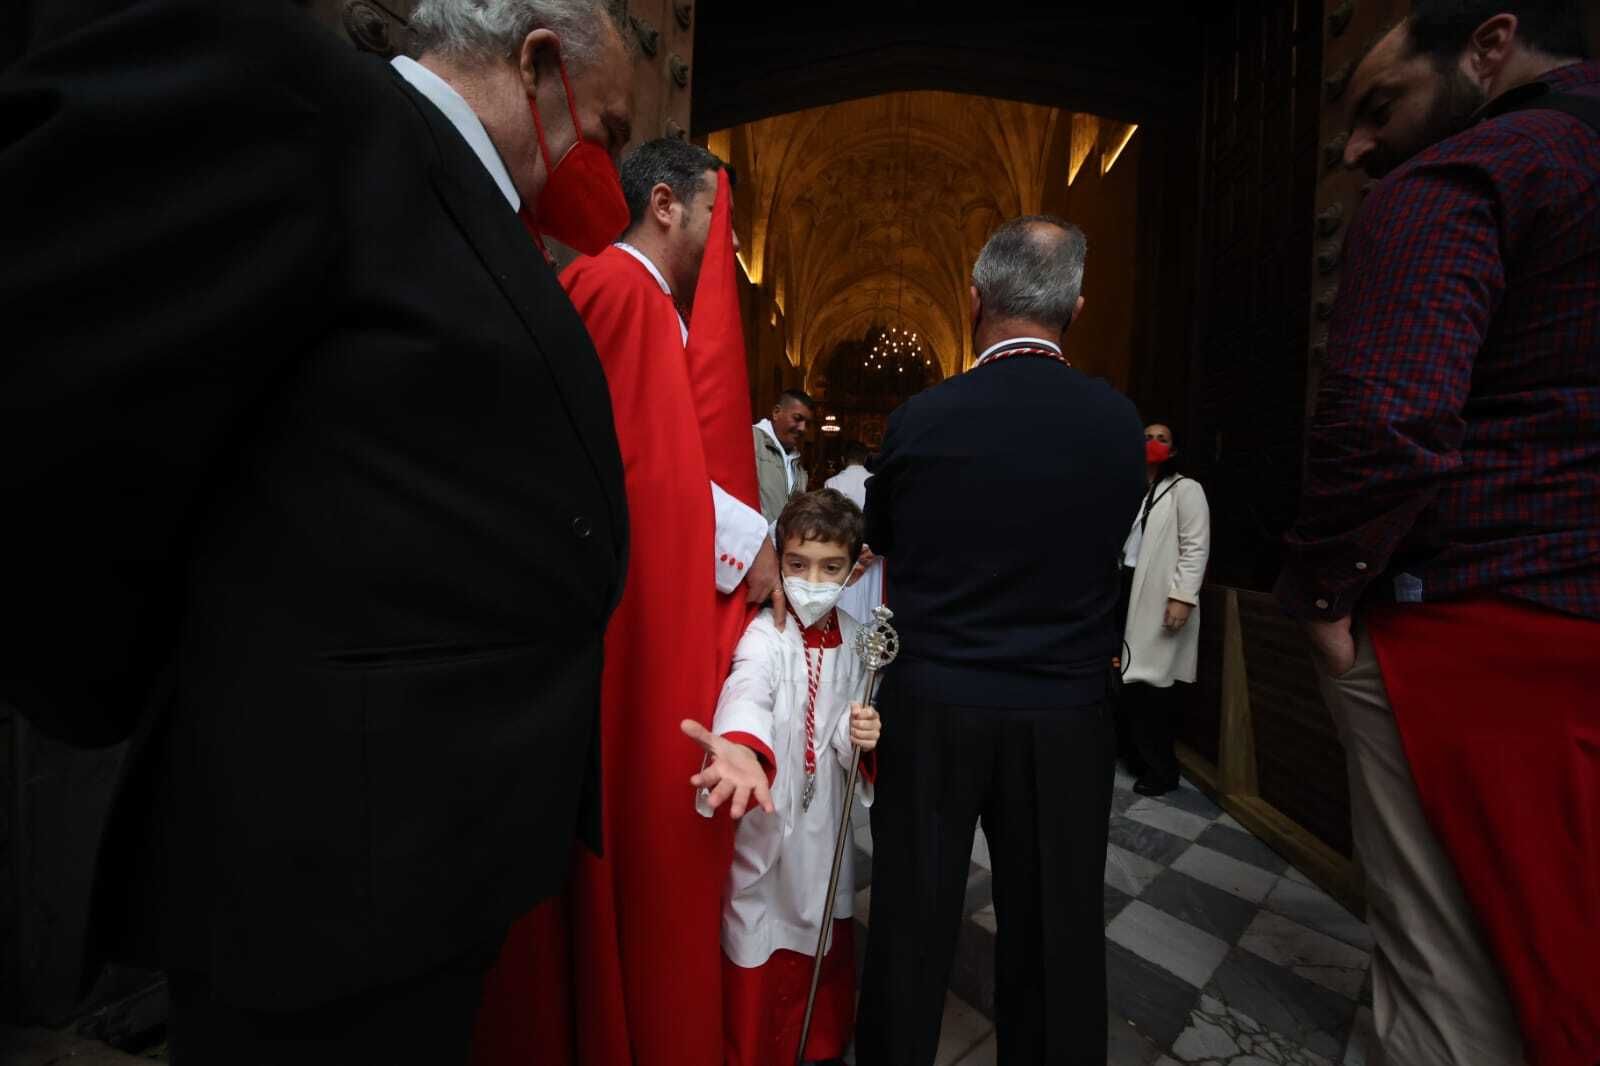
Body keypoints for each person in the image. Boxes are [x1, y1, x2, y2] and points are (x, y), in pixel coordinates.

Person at [0, 1, 634, 1061]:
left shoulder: (471, 196)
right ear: (537, 64)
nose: (600, 162)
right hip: (326, 866)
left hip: (425, 861)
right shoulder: (317, 105)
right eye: (606, 129)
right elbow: (72, 358)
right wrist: (126, 649)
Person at [1277, 4, 1599, 1065]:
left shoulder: (1466, 177)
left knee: (1446, 988)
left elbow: (1387, 413)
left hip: (1477, 627)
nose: (1359, 146)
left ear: (1489, 47)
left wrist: (1326, 591)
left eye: (1381, 106)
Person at [472, 138, 775, 1066]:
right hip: (622, 637)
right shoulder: (621, 291)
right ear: (667, 206)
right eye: (717, 224)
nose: (722, 253)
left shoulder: (645, 302)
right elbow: (638, 489)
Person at [854, 216, 1145, 1064]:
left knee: (910, 916)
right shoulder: (1116, 423)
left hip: (936, 701)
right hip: (1065, 711)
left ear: (973, 298)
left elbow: (886, 536)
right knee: (1056, 929)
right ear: (1078, 306)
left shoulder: (921, 418)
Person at [685, 488, 883, 1066]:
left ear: (853, 569)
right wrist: (744, 746)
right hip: (769, 807)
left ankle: (817, 1041)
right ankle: (749, 1046)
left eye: (830, 568)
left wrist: (860, 733)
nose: (811, 580)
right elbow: (748, 685)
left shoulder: (857, 637)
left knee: (818, 911)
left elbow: (842, 727)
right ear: (778, 556)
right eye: (796, 564)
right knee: (756, 914)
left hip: (822, 822)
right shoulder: (765, 631)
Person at [1116, 423, 1210, 796]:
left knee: (1155, 686)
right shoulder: (1136, 491)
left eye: (1162, 438)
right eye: (1146, 436)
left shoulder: (1185, 490)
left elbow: (1196, 546)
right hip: (1127, 589)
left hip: (1159, 598)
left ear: (1172, 451)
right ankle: (1135, 756)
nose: (1152, 443)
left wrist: (1183, 597)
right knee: (1129, 681)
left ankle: (1162, 769)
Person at [825, 440, 885, 624]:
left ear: (843, 459)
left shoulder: (833, 482)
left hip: (844, 548)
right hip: (871, 549)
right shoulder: (877, 482)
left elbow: (829, 521)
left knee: (846, 599)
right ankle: (869, 643)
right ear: (866, 458)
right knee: (870, 601)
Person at [755, 389, 816, 522]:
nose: (803, 428)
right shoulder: (750, 442)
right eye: (797, 418)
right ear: (776, 413)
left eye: (808, 423)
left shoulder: (797, 463)